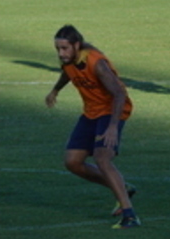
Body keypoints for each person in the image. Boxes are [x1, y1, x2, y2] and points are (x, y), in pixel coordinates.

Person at [45, 25, 139, 228]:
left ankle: (129, 215)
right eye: (58, 49)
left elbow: (119, 94)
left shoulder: (96, 63)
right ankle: (122, 188)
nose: (61, 53)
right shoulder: (69, 60)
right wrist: (55, 91)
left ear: (76, 45)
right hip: (91, 112)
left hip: (112, 111)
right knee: (73, 162)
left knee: (102, 158)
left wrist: (113, 126)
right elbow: (67, 73)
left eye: (64, 48)